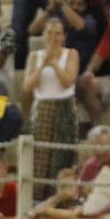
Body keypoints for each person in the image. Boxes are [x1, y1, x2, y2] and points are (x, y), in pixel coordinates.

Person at [25, 17, 79, 184]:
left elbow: (67, 81)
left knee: (62, 157)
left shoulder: (71, 54)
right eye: (49, 33)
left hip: (64, 109)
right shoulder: (35, 56)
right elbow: (27, 87)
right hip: (42, 109)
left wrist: (54, 63)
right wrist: (42, 66)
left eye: (57, 34)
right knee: (40, 159)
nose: (53, 38)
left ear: (64, 36)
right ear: (43, 35)